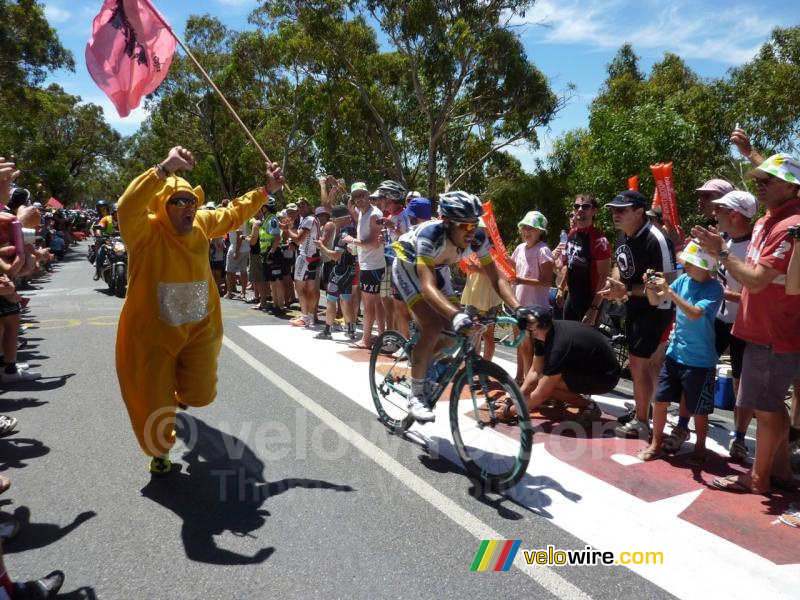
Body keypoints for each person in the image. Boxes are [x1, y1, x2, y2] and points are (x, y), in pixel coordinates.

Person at [115, 146, 284, 474]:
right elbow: (127, 206)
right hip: (153, 336)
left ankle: (177, 393)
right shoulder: (145, 233)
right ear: (162, 207)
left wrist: (267, 190)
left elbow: (235, 213)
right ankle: (160, 452)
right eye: (177, 202)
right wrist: (164, 168)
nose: (187, 208)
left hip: (197, 330)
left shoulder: (202, 223)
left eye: (190, 201)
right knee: (153, 405)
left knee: (201, 394)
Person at [693, 153, 800, 494]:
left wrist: (722, 252)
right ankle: (779, 469)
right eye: (759, 180)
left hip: (773, 334)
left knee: (766, 410)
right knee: (770, 409)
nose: (760, 185)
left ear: (792, 185)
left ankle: (758, 477)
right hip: (762, 331)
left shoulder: (789, 225)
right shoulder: (769, 221)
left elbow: (755, 281)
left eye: (768, 180)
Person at [392, 191, 520, 422]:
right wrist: (455, 315)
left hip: (439, 268)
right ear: (447, 223)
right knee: (432, 325)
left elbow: (497, 277)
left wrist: (518, 308)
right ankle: (416, 394)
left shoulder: (478, 237)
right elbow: (427, 286)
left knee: (455, 333)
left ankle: (425, 360)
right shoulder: (430, 235)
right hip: (409, 268)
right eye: (465, 227)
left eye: (475, 225)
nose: (472, 232)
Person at [638, 242, 723, 465]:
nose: (686, 266)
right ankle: (656, 443)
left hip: (700, 360)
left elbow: (695, 313)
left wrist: (668, 292)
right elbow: (656, 301)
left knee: (700, 410)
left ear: (705, 266)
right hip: (675, 354)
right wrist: (649, 286)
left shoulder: (715, 288)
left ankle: (700, 448)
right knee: (660, 400)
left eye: (691, 263)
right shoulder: (683, 280)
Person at [600, 190, 676, 439]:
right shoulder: (625, 235)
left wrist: (627, 289)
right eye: (613, 209)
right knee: (645, 365)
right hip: (635, 305)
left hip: (657, 309)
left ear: (639, 212)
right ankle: (647, 411)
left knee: (640, 364)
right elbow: (620, 263)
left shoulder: (657, 239)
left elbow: (669, 283)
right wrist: (614, 283)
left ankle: (642, 420)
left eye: (621, 210)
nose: (615, 214)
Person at [504, 305, 620, 425]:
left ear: (539, 328)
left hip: (605, 377)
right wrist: (515, 399)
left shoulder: (558, 345)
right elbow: (534, 371)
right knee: (543, 380)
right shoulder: (544, 332)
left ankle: (589, 407)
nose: (530, 333)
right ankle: (570, 396)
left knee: (548, 386)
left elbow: (543, 392)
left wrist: (509, 412)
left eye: (531, 330)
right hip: (588, 366)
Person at [710, 190, 757, 462]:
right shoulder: (723, 240)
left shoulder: (754, 248)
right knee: (699, 368)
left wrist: (726, 294)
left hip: (744, 325)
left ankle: (739, 438)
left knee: (742, 385)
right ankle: (686, 424)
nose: (714, 213)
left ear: (735, 215)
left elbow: (759, 291)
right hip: (718, 319)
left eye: (720, 209)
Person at [510, 210, 553, 382]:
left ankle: (529, 384)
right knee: (520, 344)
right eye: (524, 227)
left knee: (531, 348)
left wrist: (521, 279)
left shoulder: (543, 251)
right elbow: (514, 267)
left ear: (540, 231)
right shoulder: (519, 248)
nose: (526, 231)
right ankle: (519, 377)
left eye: (531, 228)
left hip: (536, 308)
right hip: (519, 304)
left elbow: (547, 282)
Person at [342, 182, 385, 349]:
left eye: (362, 195)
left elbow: (374, 243)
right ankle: (381, 336)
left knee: (369, 304)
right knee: (375, 303)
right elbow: (349, 207)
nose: (359, 199)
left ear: (368, 196)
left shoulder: (374, 214)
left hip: (373, 264)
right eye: (356, 196)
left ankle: (366, 339)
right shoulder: (362, 213)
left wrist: (352, 241)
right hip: (369, 264)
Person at [559, 194, 612, 325]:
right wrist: (561, 288)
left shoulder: (600, 241)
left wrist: (594, 309)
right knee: (567, 338)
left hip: (590, 300)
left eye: (585, 206)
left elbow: (603, 277)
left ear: (594, 211)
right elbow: (570, 266)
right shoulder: (572, 234)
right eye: (577, 206)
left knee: (585, 343)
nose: (580, 209)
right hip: (572, 297)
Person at [314, 205, 357, 340]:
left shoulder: (343, 233)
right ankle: (351, 329)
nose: (333, 222)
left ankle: (327, 330)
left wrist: (321, 247)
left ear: (341, 219)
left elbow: (336, 256)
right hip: (350, 269)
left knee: (331, 299)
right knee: (346, 299)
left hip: (340, 269)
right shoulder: (353, 230)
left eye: (335, 219)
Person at [283, 197, 320, 327]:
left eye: (303, 205)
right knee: (310, 288)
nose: (300, 207)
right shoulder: (309, 219)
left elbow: (298, 239)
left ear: (309, 206)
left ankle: (306, 317)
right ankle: (309, 316)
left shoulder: (308, 219)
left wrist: (287, 230)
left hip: (306, 257)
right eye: (299, 206)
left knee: (299, 287)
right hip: (312, 256)